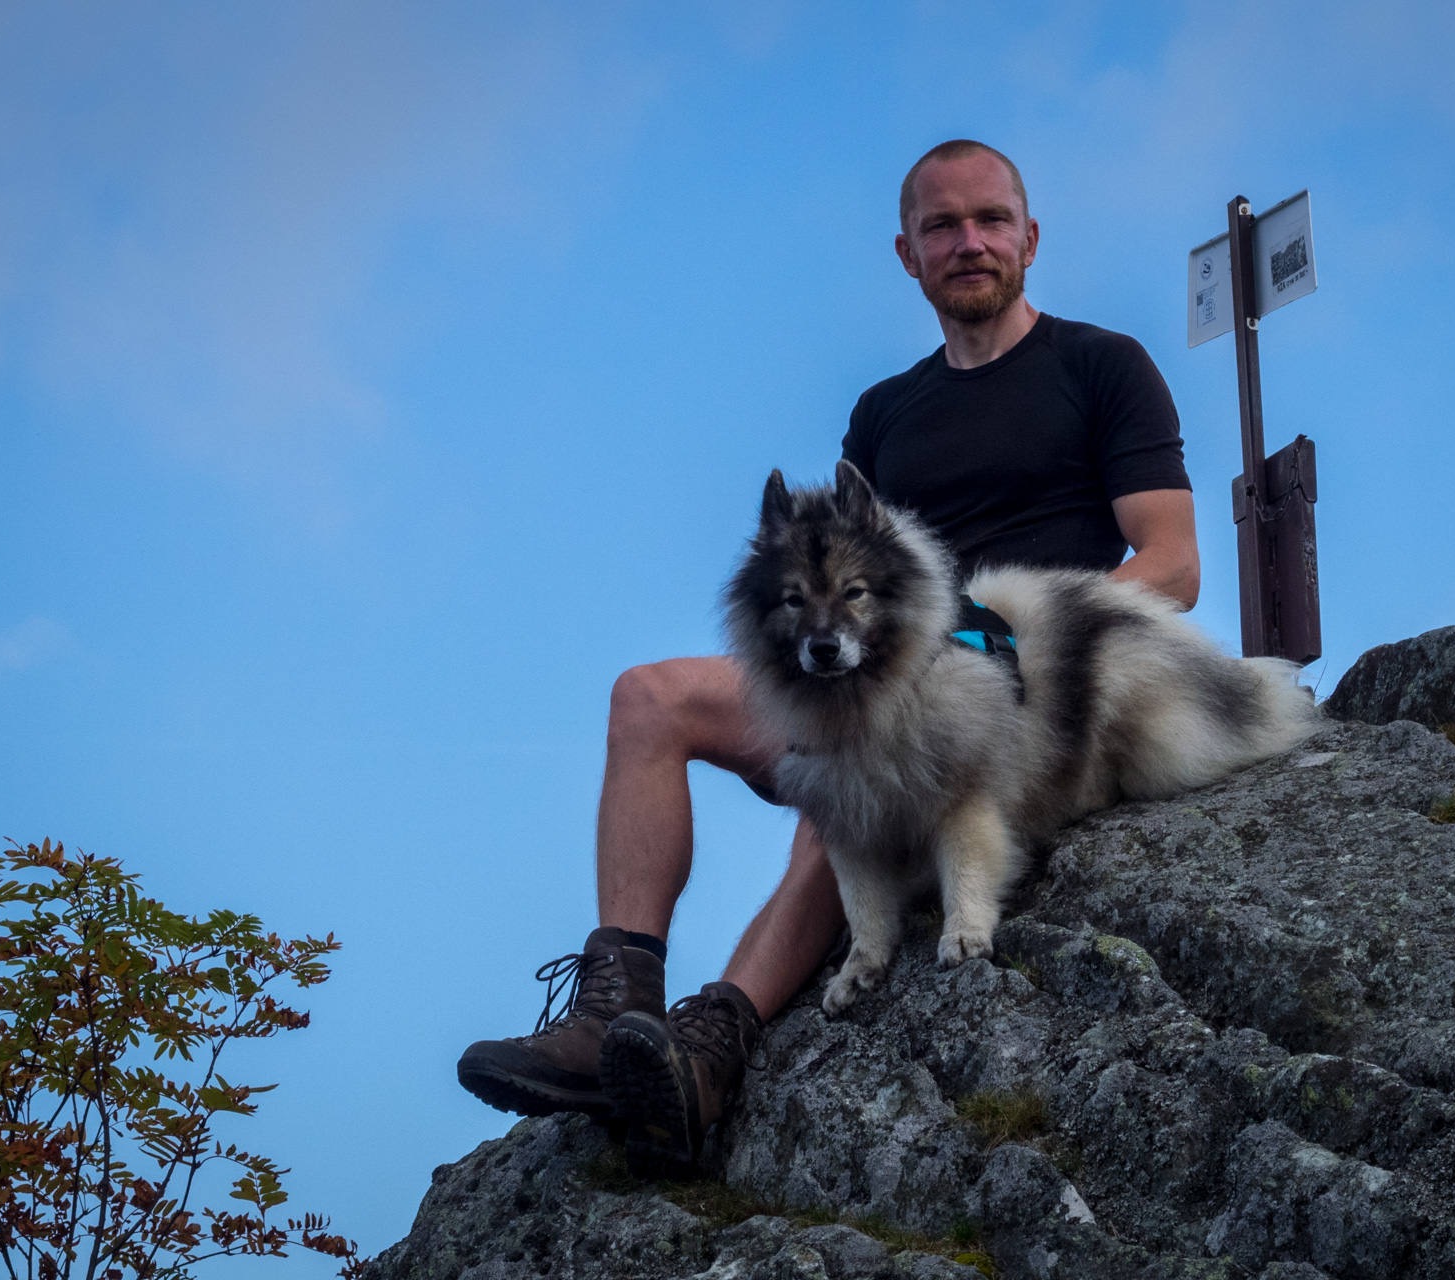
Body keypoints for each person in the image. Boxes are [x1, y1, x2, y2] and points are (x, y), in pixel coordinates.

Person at [457, 139, 1200, 1177]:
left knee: (842, 787)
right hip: (878, 671)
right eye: (942, 226)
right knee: (650, 697)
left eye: (990, 220)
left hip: (1024, 694)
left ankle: (713, 1042)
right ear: (907, 253)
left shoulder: (1101, 364)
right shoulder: (884, 413)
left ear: (1030, 238)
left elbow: (1169, 564)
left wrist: (1011, 638)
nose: (969, 241)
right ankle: (611, 1006)